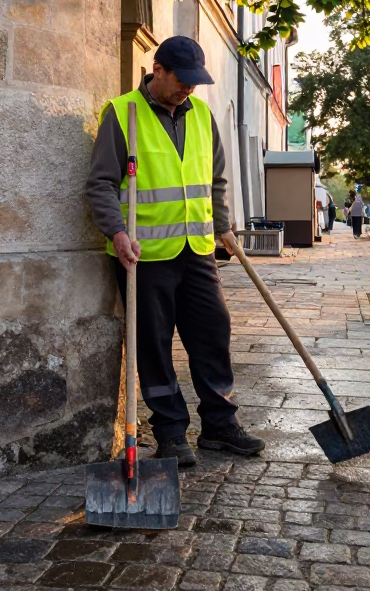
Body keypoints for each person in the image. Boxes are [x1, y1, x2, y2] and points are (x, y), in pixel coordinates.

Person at [85, 36, 265, 467]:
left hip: (197, 251)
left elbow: (215, 180)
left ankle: (220, 425)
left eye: (194, 81)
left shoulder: (201, 114)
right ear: (158, 70)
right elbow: (101, 184)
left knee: (213, 333)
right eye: (182, 79)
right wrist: (116, 232)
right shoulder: (123, 113)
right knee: (153, 346)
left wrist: (223, 225)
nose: (189, 88)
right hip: (143, 255)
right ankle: (169, 433)